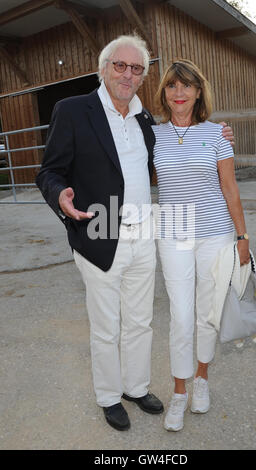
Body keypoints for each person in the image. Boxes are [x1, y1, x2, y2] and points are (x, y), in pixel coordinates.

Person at [36, 34, 234, 432]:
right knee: (106, 324)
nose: (127, 74)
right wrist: (61, 198)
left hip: (146, 232)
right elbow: (49, 171)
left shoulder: (146, 119)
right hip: (99, 229)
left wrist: (219, 136)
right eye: (119, 66)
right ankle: (109, 396)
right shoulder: (74, 110)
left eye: (136, 68)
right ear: (104, 68)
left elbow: (182, 144)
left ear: (143, 77)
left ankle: (137, 386)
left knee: (141, 320)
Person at [153, 59, 250, 432]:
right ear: (164, 92)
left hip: (215, 234)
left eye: (186, 86)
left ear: (197, 92)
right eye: (172, 86)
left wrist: (242, 236)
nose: (179, 93)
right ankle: (180, 390)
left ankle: (202, 378)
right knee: (180, 315)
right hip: (173, 234)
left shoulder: (215, 134)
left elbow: (230, 189)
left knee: (207, 311)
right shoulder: (153, 134)